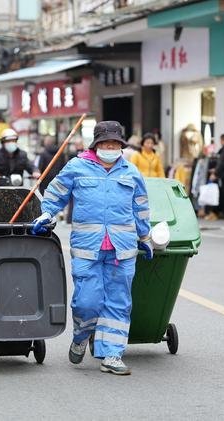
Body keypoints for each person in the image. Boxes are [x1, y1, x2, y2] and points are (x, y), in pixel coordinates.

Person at [31, 121, 152, 376]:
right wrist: (46, 214)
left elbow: (140, 207)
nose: (110, 147)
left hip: (122, 251)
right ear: (96, 145)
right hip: (88, 249)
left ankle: (112, 354)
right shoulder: (77, 167)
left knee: (118, 303)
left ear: (121, 146)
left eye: (115, 143)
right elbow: (55, 193)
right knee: (87, 301)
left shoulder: (131, 172)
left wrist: (146, 236)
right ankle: (82, 335)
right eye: (105, 143)